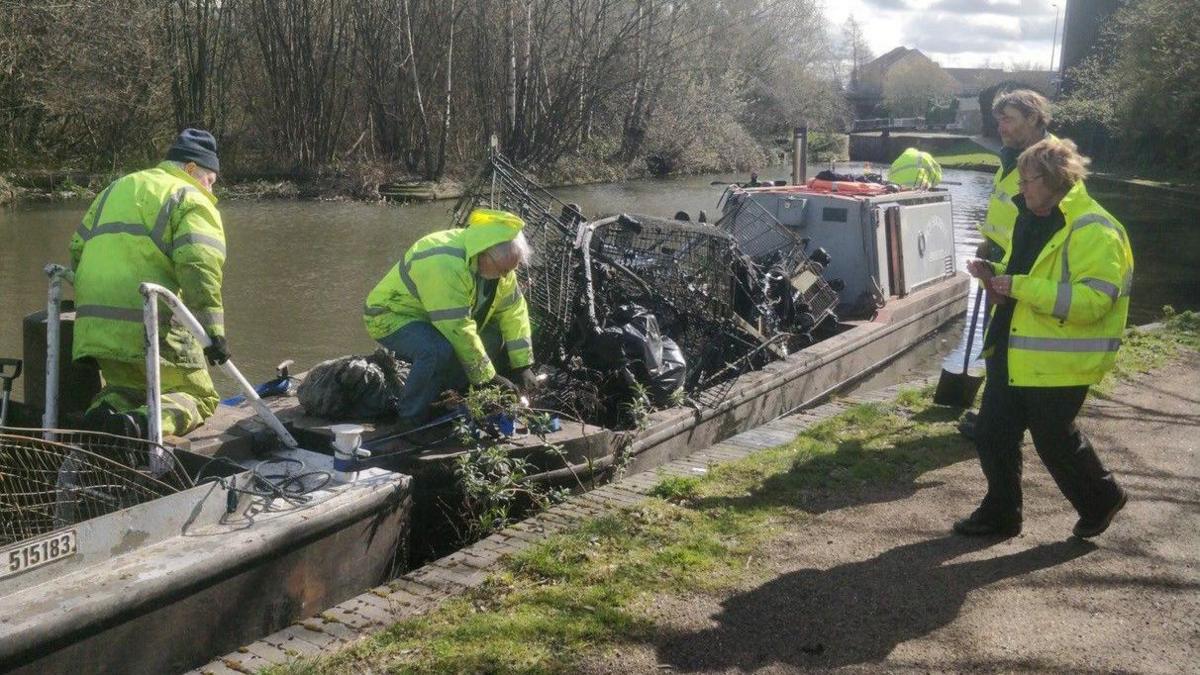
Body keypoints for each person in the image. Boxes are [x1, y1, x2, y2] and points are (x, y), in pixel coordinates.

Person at [956, 137, 1133, 539]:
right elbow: (1029, 272)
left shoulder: (1095, 229)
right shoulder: (1031, 216)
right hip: (1012, 347)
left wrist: (1018, 286)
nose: (1020, 188)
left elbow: (1095, 301)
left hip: (1059, 361)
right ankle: (1001, 513)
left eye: (1027, 180)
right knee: (992, 433)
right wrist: (995, 271)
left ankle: (1103, 497)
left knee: (1053, 441)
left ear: (1055, 180)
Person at [71, 129, 229, 438]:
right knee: (200, 396)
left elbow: (77, 251)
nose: (211, 189)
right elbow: (199, 266)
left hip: (96, 333)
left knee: (125, 389)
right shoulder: (189, 197)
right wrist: (214, 333)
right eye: (210, 180)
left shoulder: (116, 188)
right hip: (151, 327)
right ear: (192, 168)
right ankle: (140, 426)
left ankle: (100, 417)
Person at [363, 208, 538, 427]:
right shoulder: (444, 262)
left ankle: (447, 394)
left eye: (509, 271)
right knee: (435, 350)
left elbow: (513, 311)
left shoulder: (498, 266)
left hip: (437, 320)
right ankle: (410, 418)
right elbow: (458, 328)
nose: (505, 276)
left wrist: (522, 366)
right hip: (391, 315)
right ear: (484, 253)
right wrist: (488, 378)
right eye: (502, 270)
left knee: (493, 337)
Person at [981, 89, 1055, 262]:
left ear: (1032, 118)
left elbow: (1051, 230)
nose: (1001, 129)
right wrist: (989, 244)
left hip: (1023, 272)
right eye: (999, 121)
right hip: (998, 265)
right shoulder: (1011, 156)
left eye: (1007, 120)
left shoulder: (1053, 161)